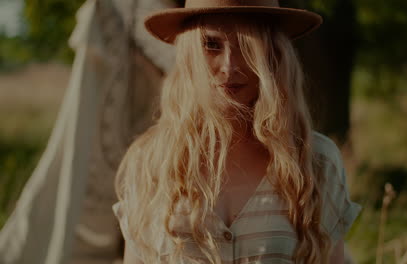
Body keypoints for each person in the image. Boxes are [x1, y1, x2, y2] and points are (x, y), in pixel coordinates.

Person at [112, 0, 362, 264]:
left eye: (246, 46)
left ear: (273, 53)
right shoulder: (149, 164)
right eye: (211, 44)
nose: (229, 67)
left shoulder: (316, 163)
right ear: (189, 54)